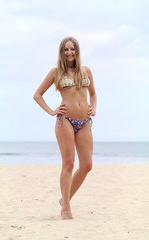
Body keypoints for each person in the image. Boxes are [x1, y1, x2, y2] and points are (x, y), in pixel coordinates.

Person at [33, 36, 97, 220]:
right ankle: (66, 208)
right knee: (68, 164)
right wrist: (52, 111)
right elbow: (37, 95)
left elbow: (93, 93)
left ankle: (64, 199)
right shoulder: (56, 72)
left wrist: (94, 107)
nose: (69, 52)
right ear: (61, 53)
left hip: (85, 121)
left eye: (72, 49)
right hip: (65, 120)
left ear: (77, 51)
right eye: (65, 50)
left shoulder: (87, 71)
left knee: (87, 165)